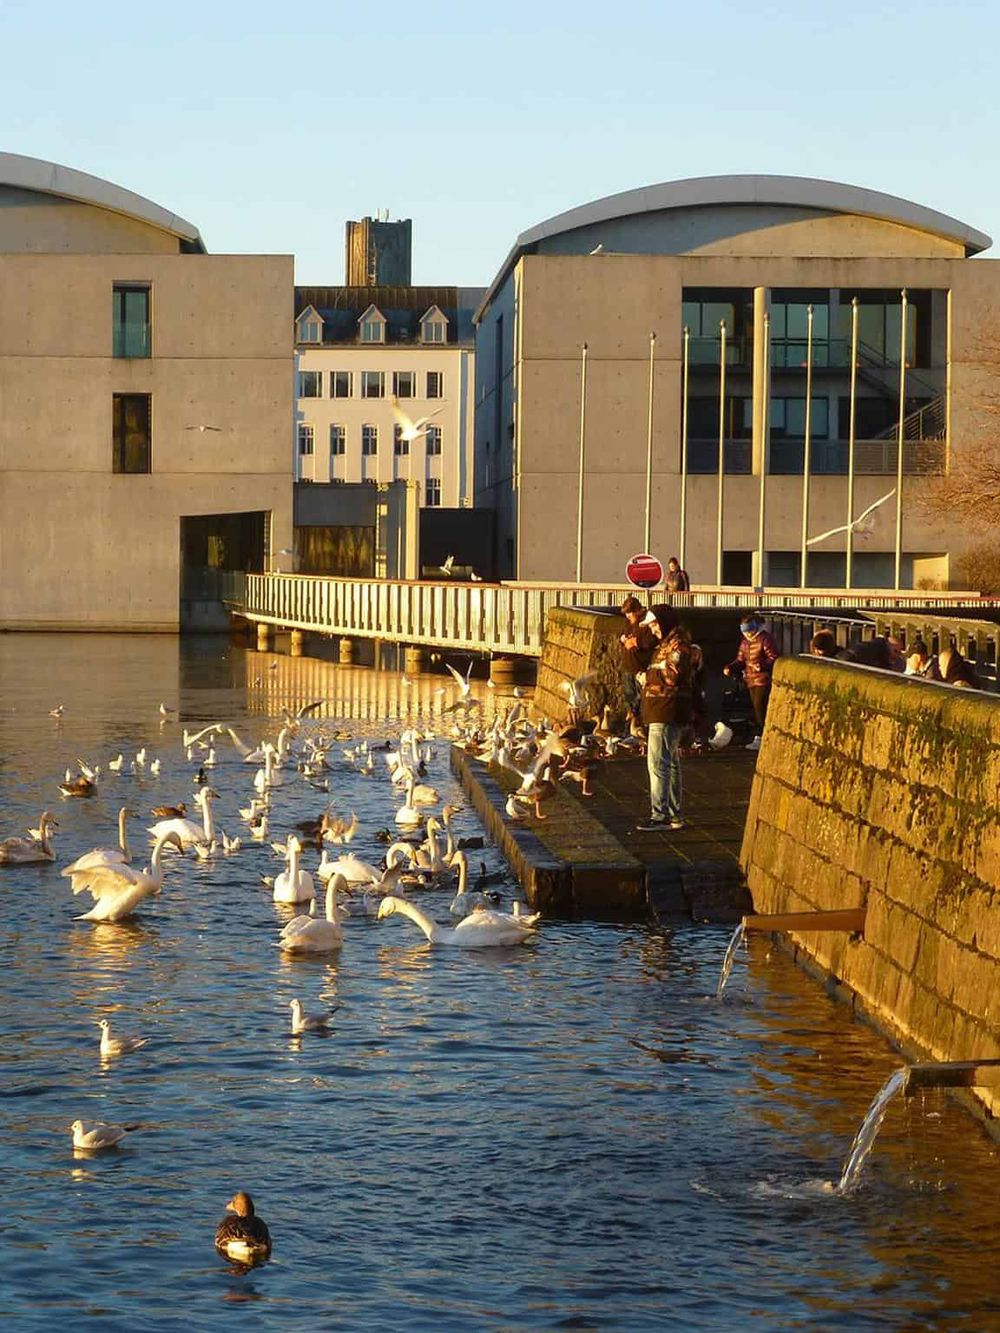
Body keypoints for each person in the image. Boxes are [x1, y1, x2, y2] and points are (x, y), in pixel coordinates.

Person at [634, 604, 692, 832]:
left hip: (666, 708)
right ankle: (674, 815)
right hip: (663, 708)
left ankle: (660, 816)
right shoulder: (666, 644)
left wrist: (647, 675)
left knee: (658, 764)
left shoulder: (677, 645)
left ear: (665, 622)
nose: (653, 629)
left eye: (655, 624)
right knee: (671, 764)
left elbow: (672, 676)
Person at [724, 615, 779, 751]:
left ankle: (761, 736)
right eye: (745, 631)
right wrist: (731, 668)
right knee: (755, 708)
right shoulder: (745, 642)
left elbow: (774, 657)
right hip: (750, 679)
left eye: (750, 630)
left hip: (762, 678)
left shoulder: (765, 639)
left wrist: (762, 666)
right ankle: (760, 734)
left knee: (760, 707)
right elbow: (741, 660)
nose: (748, 634)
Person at [619, 595, 656, 721]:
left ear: (638, 610)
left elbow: (652, 641)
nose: (628, 616)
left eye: (630, 613)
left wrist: (637, 642)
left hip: (641, 667)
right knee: (629, 698)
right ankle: (631, 723)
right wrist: (623, 639)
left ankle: (640, 723)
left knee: (641, 699)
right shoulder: (628, 623)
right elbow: (623, 634)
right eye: (626, 614)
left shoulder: (647, 622)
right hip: (628, 667)